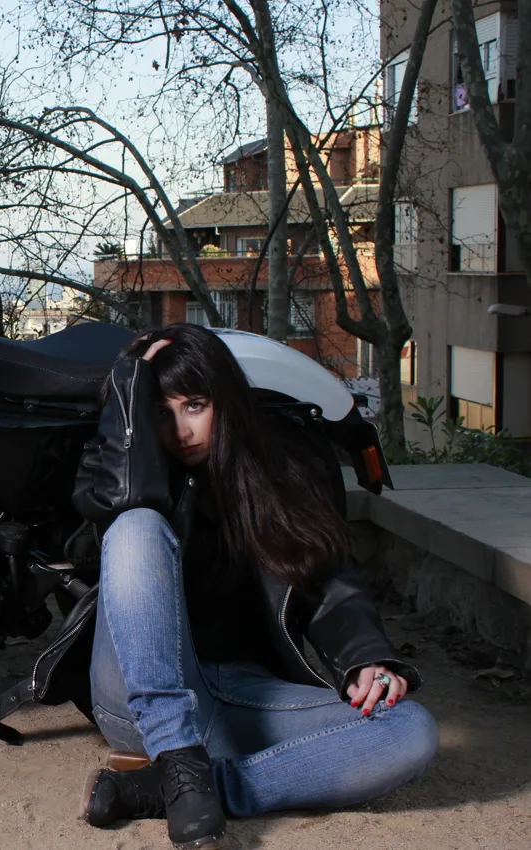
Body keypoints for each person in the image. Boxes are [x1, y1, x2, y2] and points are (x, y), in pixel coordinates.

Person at [73, 323, 438, 849]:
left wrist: (366, 658)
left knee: (410, 731)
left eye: (195, 404)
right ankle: (176, 757)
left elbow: (329, 578)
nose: (181, 430)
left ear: (227, 399)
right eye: (160, 412)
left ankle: (178, 788)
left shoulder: (280, 473)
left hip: (239, 696)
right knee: (135, 525)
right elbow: (103, 526)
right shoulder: (116, 471)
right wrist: (130, 383)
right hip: (138, 698)